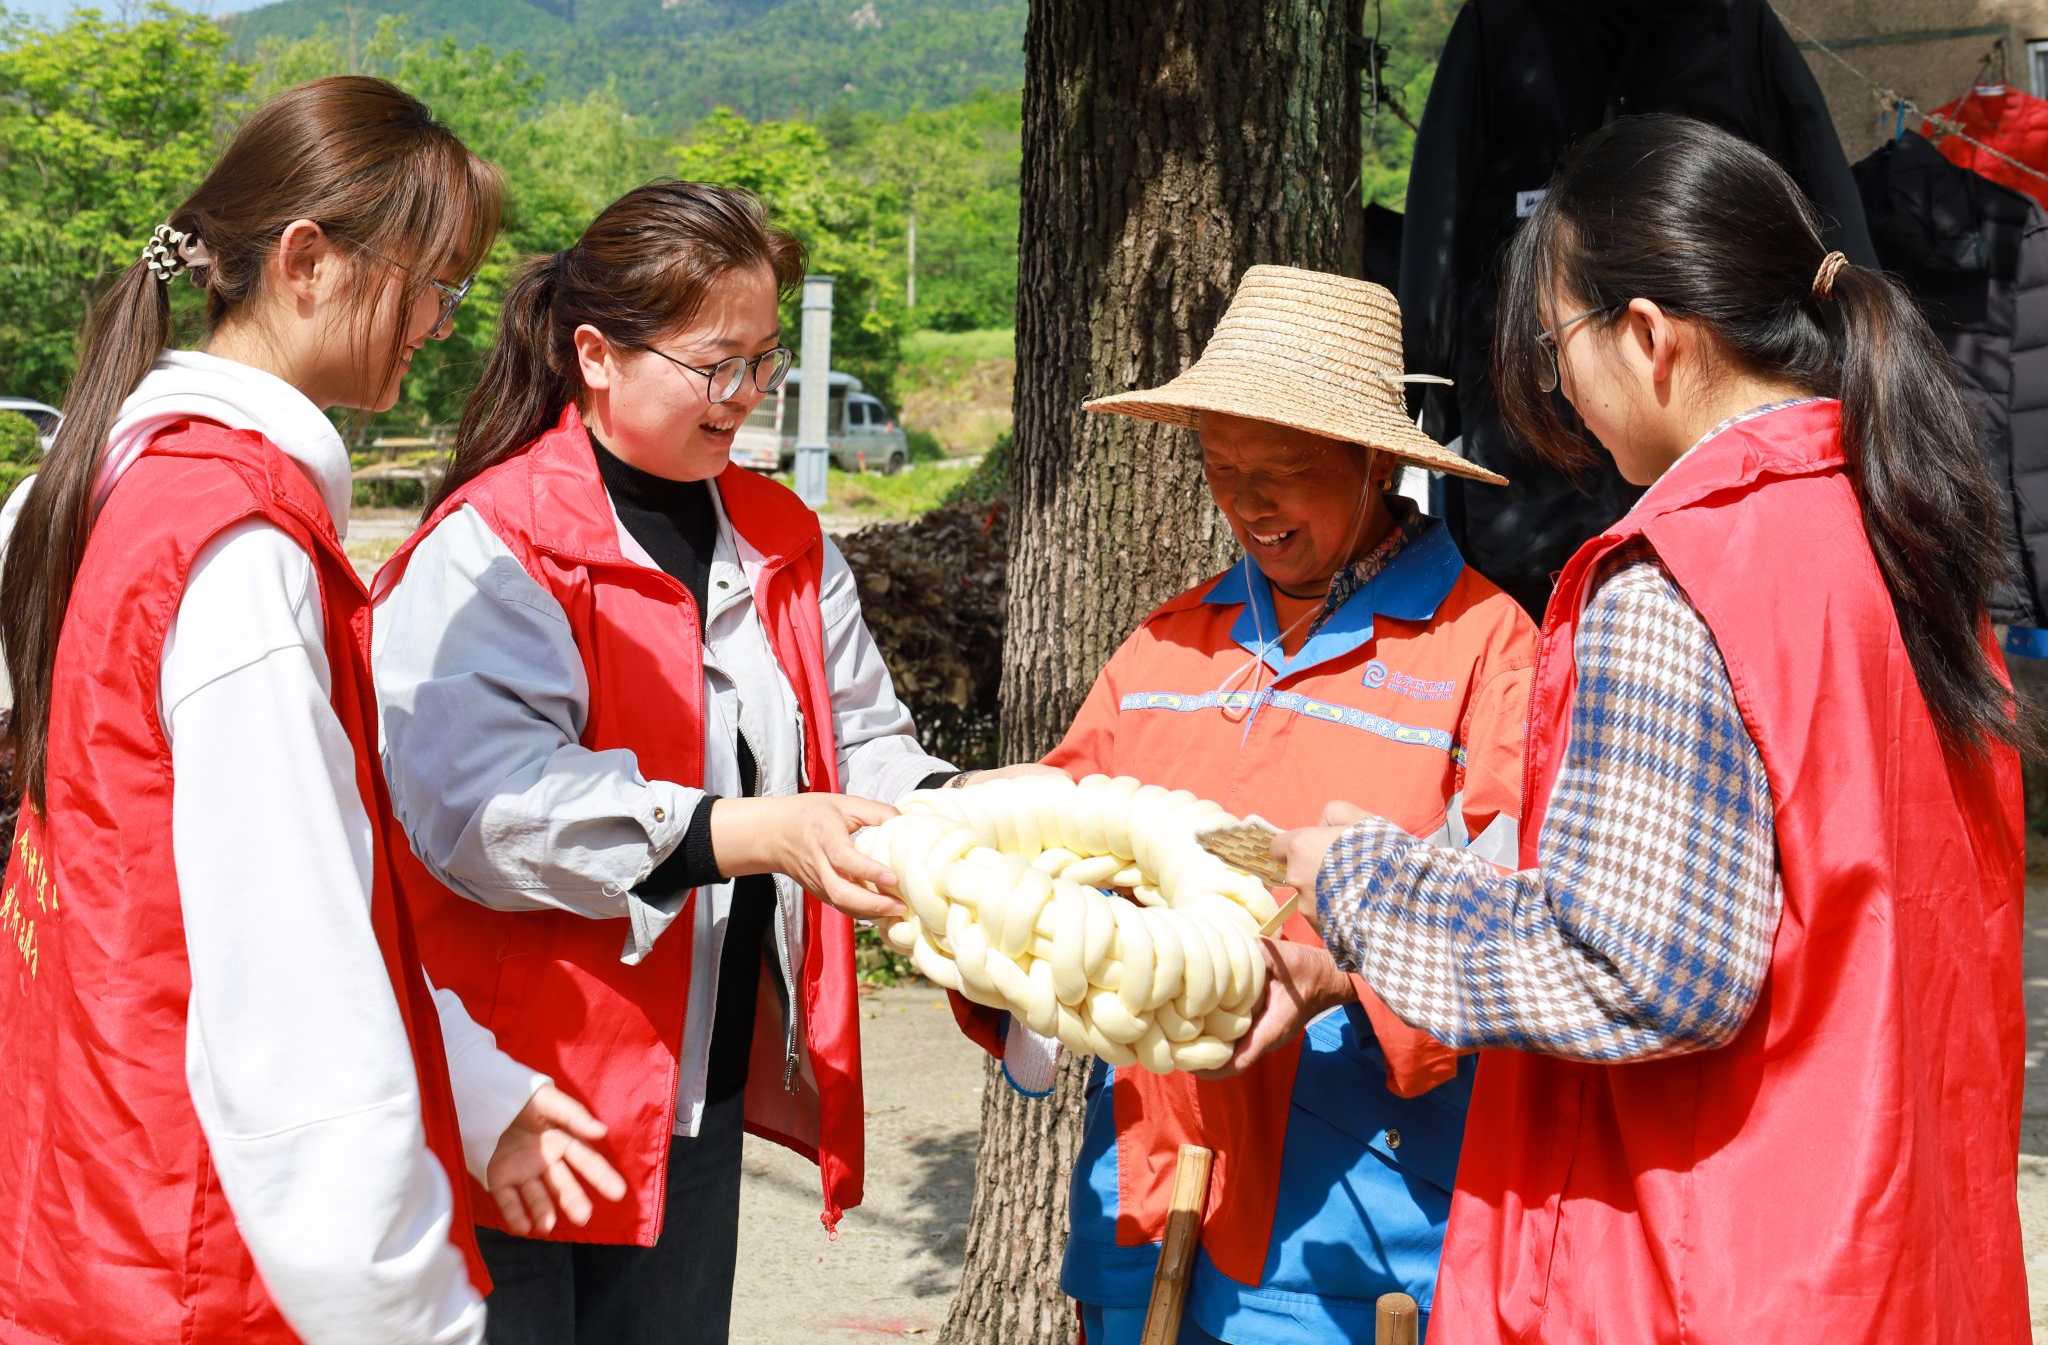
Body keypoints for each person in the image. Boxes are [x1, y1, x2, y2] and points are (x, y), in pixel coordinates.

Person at [1272, 114, 2029, 1343]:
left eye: (1554, 344)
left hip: (1706, 1271)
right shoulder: (1903, 533)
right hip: (1890, 1254)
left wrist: (1361, 883)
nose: (1557, 388)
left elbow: (1637, 969)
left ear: (1644, 334)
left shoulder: (1678, 572)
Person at [0, 77, 622, 1345]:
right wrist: (404, 1305)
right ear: (305, 261)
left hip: (85, 1195)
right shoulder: (238, 548)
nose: (440, 322)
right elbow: (289, 975)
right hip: (207, 1254)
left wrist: (466, 1080)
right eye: (435, 283)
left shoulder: (95, 482)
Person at [373, 179, 1030, 1344]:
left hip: (691, 1091)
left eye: (762, 361)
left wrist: (959, 807)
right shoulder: (493, 545)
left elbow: (860, 744)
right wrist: (751, 832)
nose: (747, 397)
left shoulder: (783, 540)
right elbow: (483, 811)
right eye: (715, 366)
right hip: (518, 1092)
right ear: (595, 355)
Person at [948, 265, 1537, 1342]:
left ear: (1376, 462)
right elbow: (1058, 838)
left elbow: (1516, 916)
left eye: (1283, 472)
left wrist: (1336, 975)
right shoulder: (1167, 644)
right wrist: (976, 877)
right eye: (1222, 468)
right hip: (1139, 1185)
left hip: (1356, 1219)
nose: (1247, 503)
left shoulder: (1485, 648)